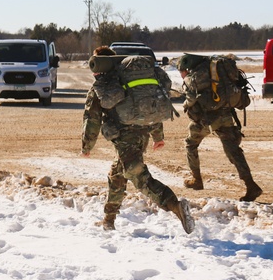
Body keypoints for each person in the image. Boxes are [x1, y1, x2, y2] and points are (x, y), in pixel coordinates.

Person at [81, 47, 194, 233]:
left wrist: (87, 146)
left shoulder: (103, 85)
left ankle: (175, 205)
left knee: (138, 177)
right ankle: (108, 220)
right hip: (143, 133)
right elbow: (149, 107)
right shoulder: (129, 79)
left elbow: (92, 118)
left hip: (125, 137)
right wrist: (158, 136)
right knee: (118, 175)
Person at [177, 54, 262, 202]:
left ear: (186, 68)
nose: (181, 74)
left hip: (207, 119)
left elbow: (190, 99)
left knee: (190, 144)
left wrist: (184, 106)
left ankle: (196, 179)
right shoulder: (214, 70)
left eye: (181, 71)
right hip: (225, 115)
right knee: (233, 150)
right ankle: (251, 185)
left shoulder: (193, 77)